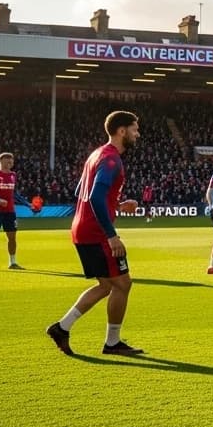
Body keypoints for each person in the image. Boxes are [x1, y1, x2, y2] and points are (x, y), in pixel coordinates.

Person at [46, 111, 144, 357]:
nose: (137, 134)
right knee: (123, 284)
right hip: (98, 232)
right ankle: (112, 343)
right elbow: (96, 196)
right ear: (121, 131)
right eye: (134, 129)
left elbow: (82, 189)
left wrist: (117, 206)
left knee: (106, 285)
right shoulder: (112, 160)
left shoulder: (96, 155)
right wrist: (111, 235)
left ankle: (62, 328)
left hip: (82, 228)